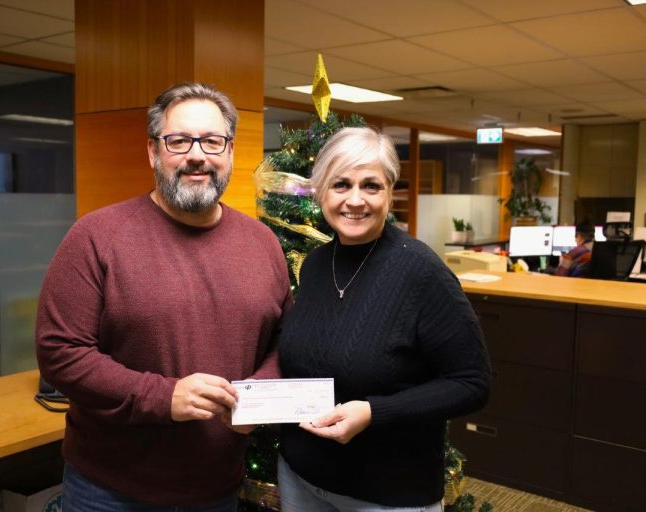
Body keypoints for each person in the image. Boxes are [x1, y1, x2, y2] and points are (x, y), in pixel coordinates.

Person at [35, 82, 292, 512]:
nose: (197, 155)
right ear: (154, 152)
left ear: (229, 153)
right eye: (179, 141)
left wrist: (259, 395)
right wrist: (161, 397)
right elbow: (60, 352)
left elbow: (287, 341)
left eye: (212, 141)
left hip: (217, 488)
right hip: (109, 491)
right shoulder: (97, 237)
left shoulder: (262, 243)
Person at [276, 127, 491, 511]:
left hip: (387, 494)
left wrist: (374, 412)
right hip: (301, 479)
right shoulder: (314, 265)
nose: (355, 200)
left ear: (391, 193)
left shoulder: (421, 271)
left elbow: (471, 383)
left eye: (371, 186)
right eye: (341, 184)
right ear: (321, 191)